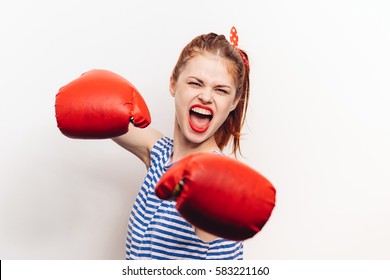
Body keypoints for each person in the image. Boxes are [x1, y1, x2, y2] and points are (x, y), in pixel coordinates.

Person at [111, 28, 251, 259]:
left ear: (234, 102)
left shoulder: (218, 178)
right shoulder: (158, 154)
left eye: (221, 90)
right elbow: (107, 119)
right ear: (173, 84)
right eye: (196, 83)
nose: (206, 97)